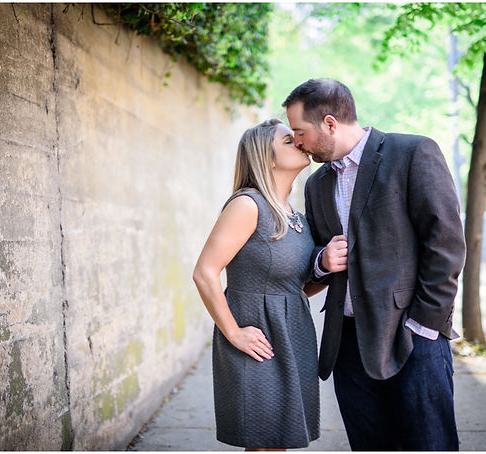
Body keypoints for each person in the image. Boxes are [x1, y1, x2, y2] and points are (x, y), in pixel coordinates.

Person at [283, 78, 466, 451]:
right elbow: (316, 254)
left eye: (300, 132)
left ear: (330, 123)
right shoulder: (316, 184)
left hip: (412, 334)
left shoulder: (412, 152)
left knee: (429, 444)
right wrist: (320, 261)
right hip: (347, 343)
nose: (297, 142)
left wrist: (424, 324)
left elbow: (445, 244)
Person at [193, 119, 326, 450]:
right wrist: (234, 332)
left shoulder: (297, 217)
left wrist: (325, 267)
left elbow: (296, 287)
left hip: (293, 335)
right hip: (257, 338)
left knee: (279, 443)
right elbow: (205, 272)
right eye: (287, 140)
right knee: (263, 442)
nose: (298, 141)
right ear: (266, 158)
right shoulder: (248, 205)